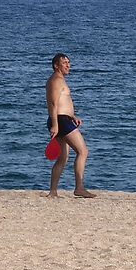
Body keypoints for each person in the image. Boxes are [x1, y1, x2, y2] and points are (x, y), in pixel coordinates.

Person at [46, 54, 92, 197]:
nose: (68, 65)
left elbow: (61, 103)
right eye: (64, 63)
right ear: (56, 65)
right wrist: (55, 125)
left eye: (68, 62)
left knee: (63, 158)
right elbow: (53, 103)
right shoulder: (56, 81)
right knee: (83, 151)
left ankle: (53, 192)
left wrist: (73, 116)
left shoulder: (59, 80)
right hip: (60, 121)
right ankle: (79, 187)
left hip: (64, 120)